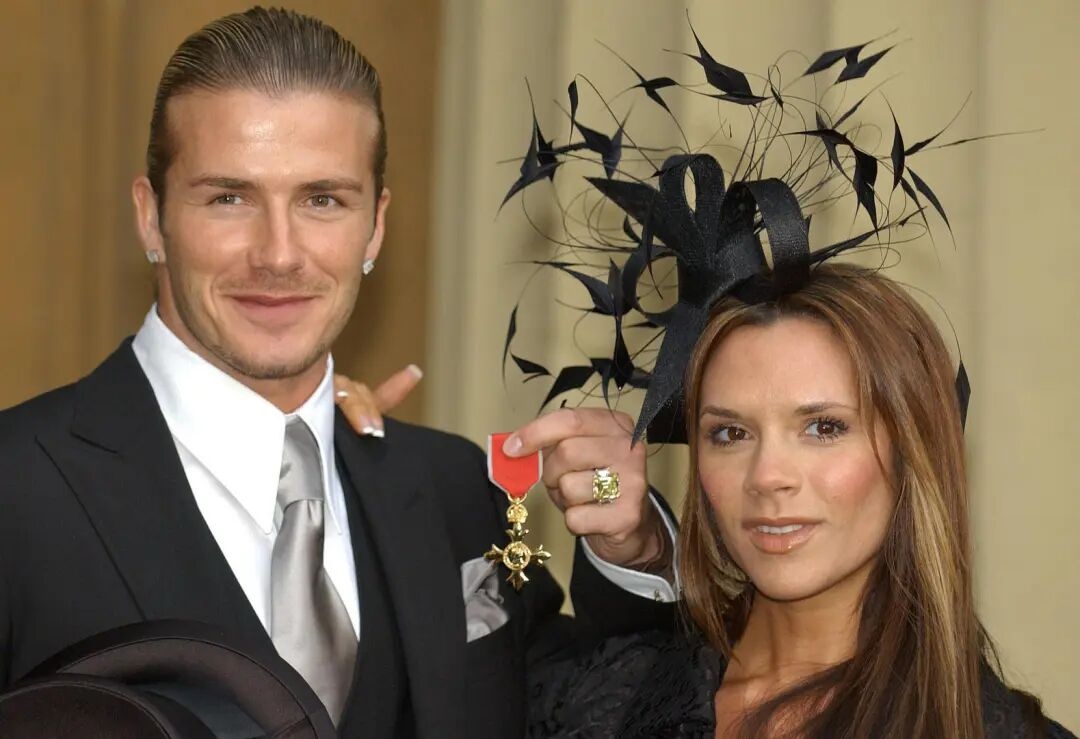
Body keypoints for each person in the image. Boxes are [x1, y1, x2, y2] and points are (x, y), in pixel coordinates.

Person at [0, 8, 679, 738]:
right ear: (150, 217)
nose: (279, 254)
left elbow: (601, 706)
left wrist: (631, 546)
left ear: (376, 226)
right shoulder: (16, 488)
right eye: (229, 197)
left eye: (322, 199)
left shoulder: (454, 491)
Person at [525, 264, 1076, 737]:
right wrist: (618, 520)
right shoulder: (598, 693)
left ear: (914, 451)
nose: (768, 477)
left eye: (823, 427)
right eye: (730, 434)